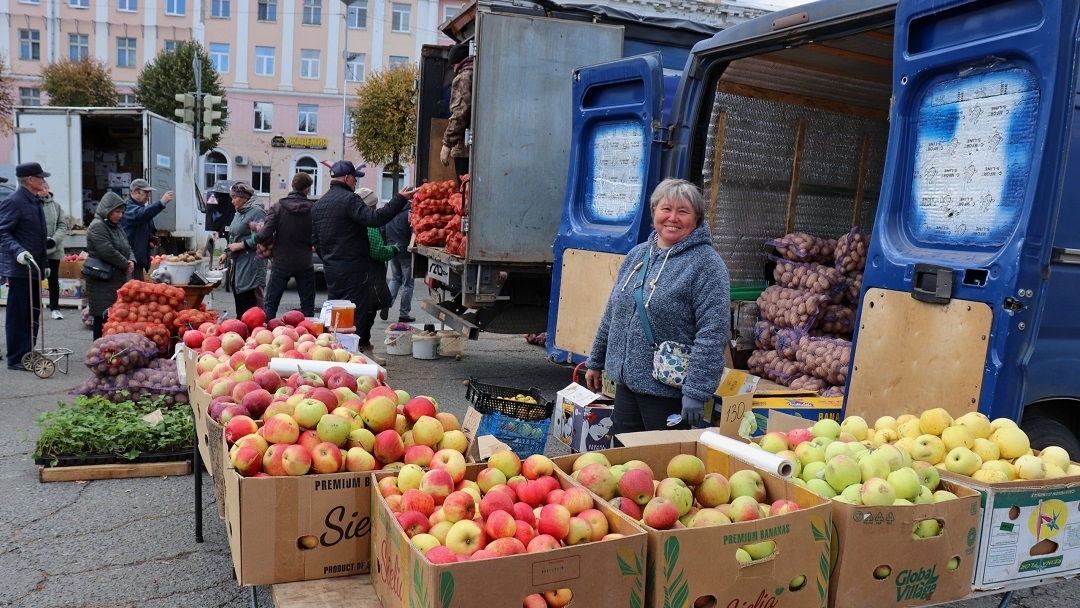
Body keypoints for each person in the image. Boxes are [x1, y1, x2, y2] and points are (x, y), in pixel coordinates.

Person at [584, 178, 730, 438]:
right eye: (666, 209)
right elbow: (613, 313)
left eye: (683, 211)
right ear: (654, 213)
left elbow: (713, 333)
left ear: (696, 219)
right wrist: (596, 360)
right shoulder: (638, 255)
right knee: (626, 465)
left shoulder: (707, 265)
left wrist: (696, 391)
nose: (673, 218)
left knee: (665, 469)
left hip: (669, 392)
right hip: (628, 385)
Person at [311, 160, 413, 363]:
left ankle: (334, 356)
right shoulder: (350, 199)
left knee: (337, 316)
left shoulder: (319, 204)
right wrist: (400, 199)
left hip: (332, 269)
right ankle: (352, 360)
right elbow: (375, 219)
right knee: (355, 316)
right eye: (354, 179)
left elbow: (315, 242)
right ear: (348, 178)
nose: (355, 184)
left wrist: (330, 260)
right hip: (354, 270)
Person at [0, 162, 51, 370]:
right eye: (40, 177)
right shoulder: (15, 201)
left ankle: (28, 351)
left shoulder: (34, 200)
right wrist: (18, 251)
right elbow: (3, 231)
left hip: (34, 267)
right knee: (19, 314)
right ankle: (16, 358)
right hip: (20, 267)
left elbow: (38, 236)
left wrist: (45, 262)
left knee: (33, 312)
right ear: (30, 180)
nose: (44, 180)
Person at [255, 172, 317, 319]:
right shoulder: (313, 209)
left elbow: (264, 234)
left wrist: (254, 238)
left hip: (281, 261)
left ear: (292, 186)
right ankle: (308, 337)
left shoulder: (278, 207)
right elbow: (318, 234)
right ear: (307, 189)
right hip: (305, 262)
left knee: (271, 304)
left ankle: (266, 336)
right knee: (307, 306)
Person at [355, 188, 405, 364]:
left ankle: (362, 349)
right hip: (369, 274)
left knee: (360, 312)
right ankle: (364, 351)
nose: (375, 209)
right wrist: (394, 249)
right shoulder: (370, 225)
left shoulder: (354, 219)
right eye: (374, 205)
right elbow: (378, 252)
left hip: (356, 272)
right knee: (367, 313)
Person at [85, 192, 135, 341]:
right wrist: (125, 264)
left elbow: (127, 246)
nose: (120, 215)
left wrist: (132, 260)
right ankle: (98, 350)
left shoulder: (115, 226)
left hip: (115, 277)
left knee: (112, 317)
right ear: (108, 209)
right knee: (102, 317)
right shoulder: (98, 226)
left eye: (122, 212)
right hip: (102, 279)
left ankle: (109, 350)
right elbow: (107, 251)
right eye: (117, 212)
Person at [218, 182, 267, 317]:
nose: (232, 201)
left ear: (245, 197)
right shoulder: (239, 212)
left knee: (250, 306)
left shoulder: (256, 212)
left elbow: (262, 236)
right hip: (239, 263)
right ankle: (242, 330)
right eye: (231, 197)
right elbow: (234, 236)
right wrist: (226, 253)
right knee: (240, 300)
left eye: (235, 197)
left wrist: (242, 245)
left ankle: (252, 334)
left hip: (252, 263)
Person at [121, 178, 174, 281]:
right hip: (129, 261)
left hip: (138, 261)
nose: (148, 195)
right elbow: (140, 215)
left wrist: (150, 239)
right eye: (146, 192)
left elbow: (143, 228)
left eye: (149, 192)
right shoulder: (127, 207)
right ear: (134, 191)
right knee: (130, 292)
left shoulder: (140, 207)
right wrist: (161, 203)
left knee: (138, 291)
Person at [440, 42, 473, 182]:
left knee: (464, 192)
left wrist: (447, 143)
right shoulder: (479, 73)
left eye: (453, 64)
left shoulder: (463, 77)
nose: (453, 69)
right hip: (479, 147)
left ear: (458, 62)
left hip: (464, 149)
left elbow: (460, 113)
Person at [383, 188, 414, 323]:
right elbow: (414, 232)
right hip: (405, 249)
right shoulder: (410, 213)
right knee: (408, 283)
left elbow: (383, 228)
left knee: (396, 279)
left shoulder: (390, 211)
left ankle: (386, 303)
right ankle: (404, 313)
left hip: (391, 248)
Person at [42, 191, 69, 319]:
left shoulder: (56, 206)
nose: (43, 190)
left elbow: (62, 225)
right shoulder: (32, 204)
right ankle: (33, 307)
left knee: (53, 279)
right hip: (35, 248)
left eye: (45, 187)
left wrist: (54, 240)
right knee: (33, 279)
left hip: (53, 248)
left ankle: (55, 308)